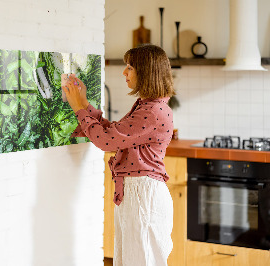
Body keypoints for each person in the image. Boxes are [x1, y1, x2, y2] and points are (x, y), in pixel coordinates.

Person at [63, 44, 175, 266]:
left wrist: (78, 108)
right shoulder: (148, 106)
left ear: (146, 72)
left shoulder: (152, 111)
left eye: (130, 67)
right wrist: (84, 103)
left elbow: (106, 141)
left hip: (143, 196)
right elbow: (114, 133)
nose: (124, 72)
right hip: (138, 193)